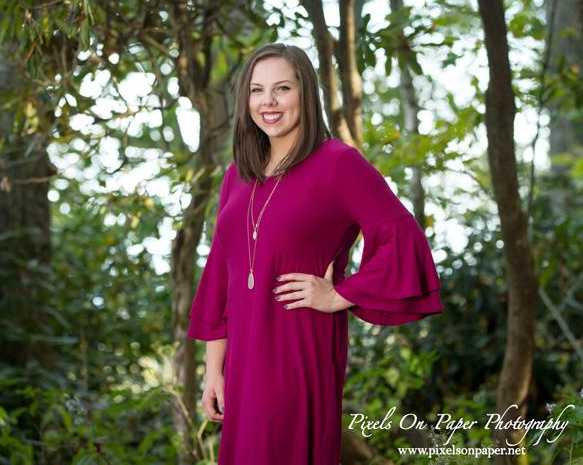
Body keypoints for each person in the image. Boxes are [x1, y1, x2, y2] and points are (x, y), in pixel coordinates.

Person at [187, 43, 443, 465]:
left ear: (306, 94)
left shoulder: (338, 163)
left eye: (282, 88)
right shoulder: (236, 175)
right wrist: (214, 369)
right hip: (241, 363)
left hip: (296, 352)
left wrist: (339, 294)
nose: (268, 101)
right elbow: (221, 276)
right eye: (257, 90)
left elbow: (402, 236)